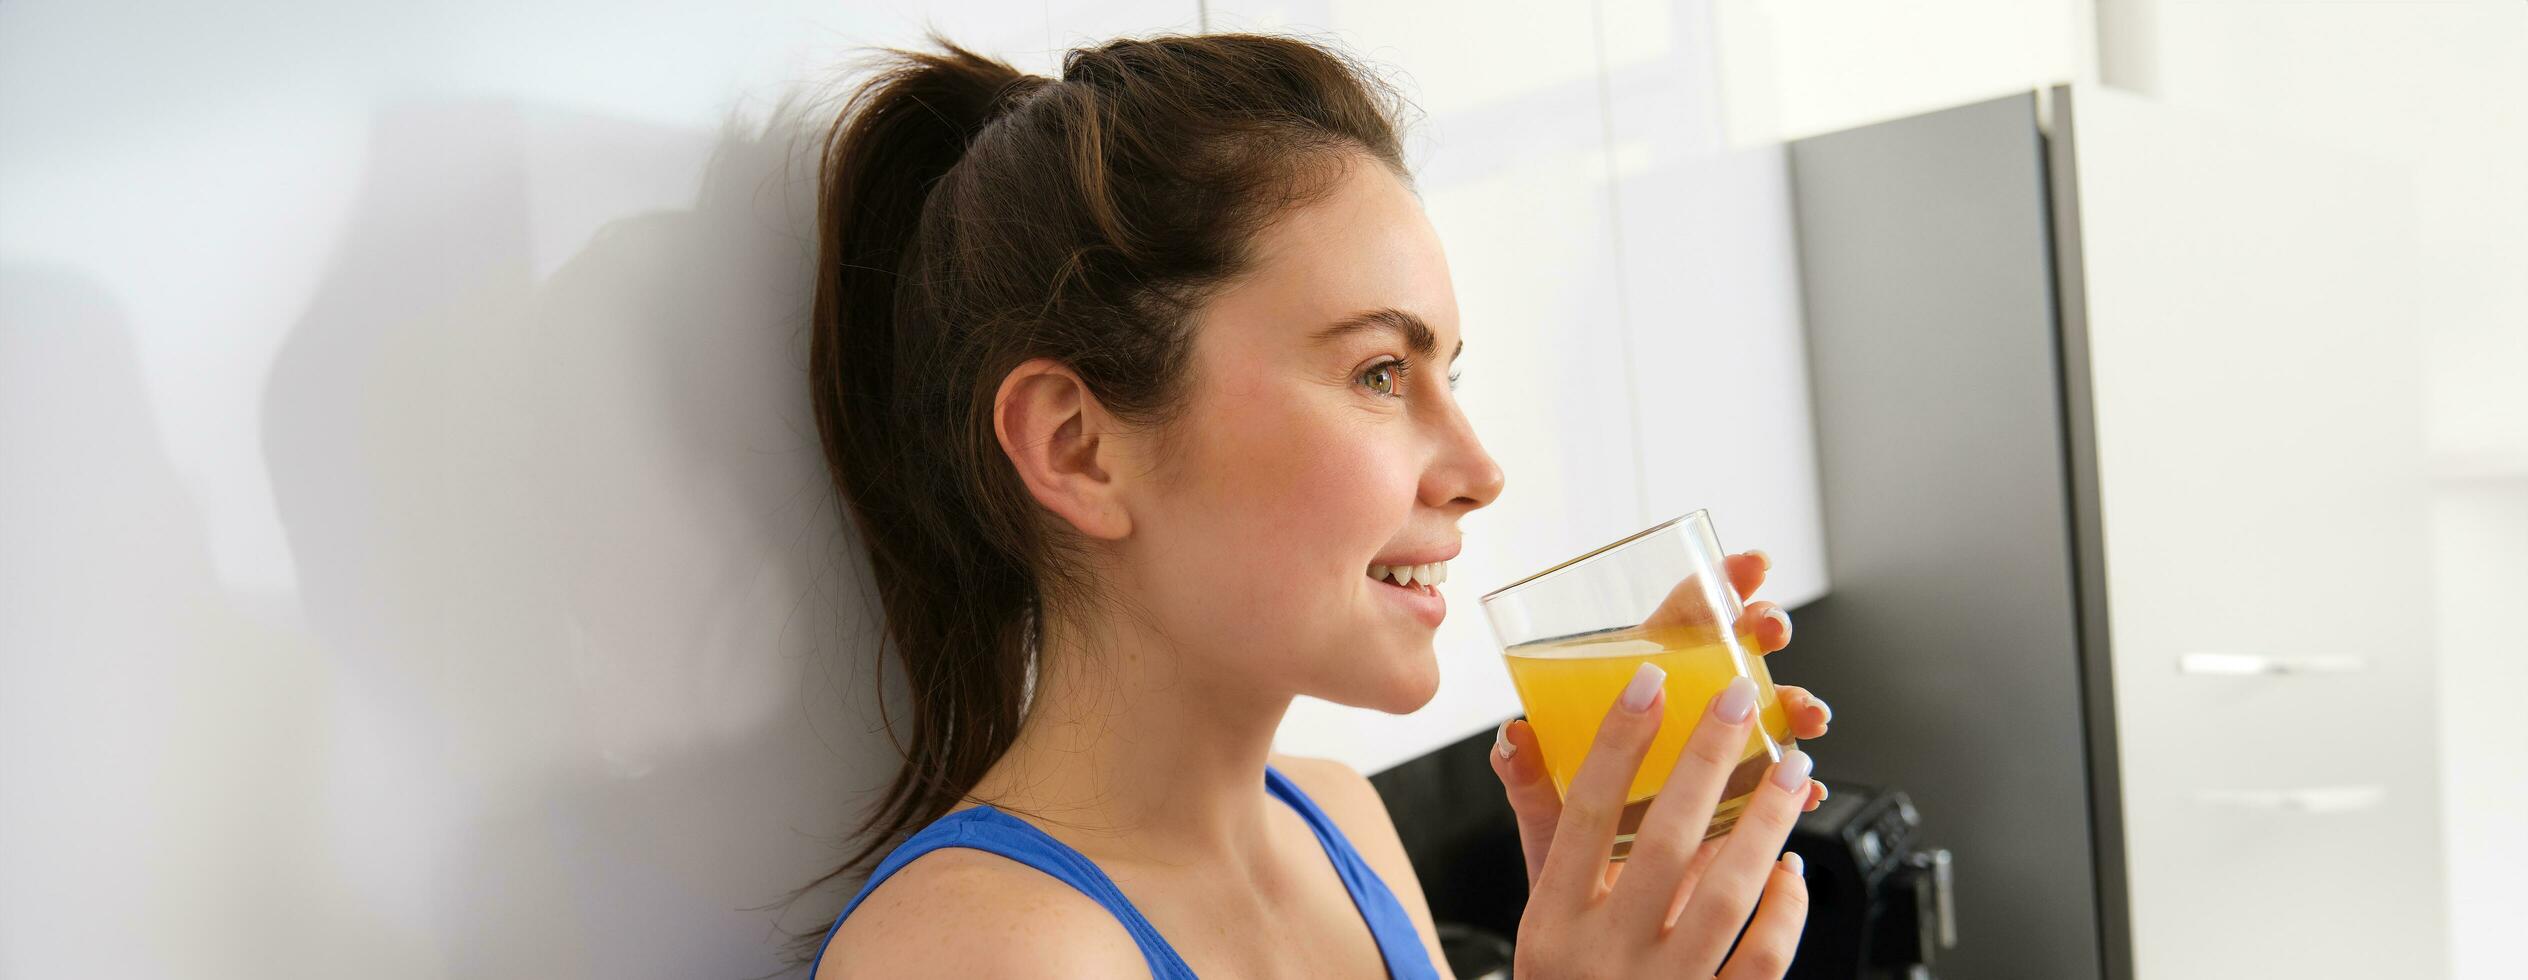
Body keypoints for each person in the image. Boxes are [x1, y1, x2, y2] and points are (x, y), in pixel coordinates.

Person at [795, 30, 1835, 979]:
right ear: (1078, 447)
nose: (1478, 467)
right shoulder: (984, 955)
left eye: (1449, 378)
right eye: (1380, 371)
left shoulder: (1339, 821)